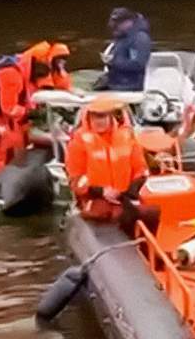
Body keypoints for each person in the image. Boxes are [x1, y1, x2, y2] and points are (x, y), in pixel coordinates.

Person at [63, 95, 160, 237]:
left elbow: (141, 169)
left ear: (110, 116)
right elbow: (76, 179)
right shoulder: (79, 141)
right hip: (96, 199)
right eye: (95, 117)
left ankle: (153, 250)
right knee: (107, 212)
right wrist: (101, 191)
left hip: (124, 198)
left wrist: (130, 190)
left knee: (152, 213)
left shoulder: (127, 137)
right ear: (89, 117)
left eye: (102, 117)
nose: (98, 121)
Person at [0, 41, 53, 185]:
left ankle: (5, 184)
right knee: (5, 153)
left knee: (14, 150)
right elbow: (8, 107)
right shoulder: (11, 75)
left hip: (9, 118)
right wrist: (30, 113)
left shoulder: (22, 70)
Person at [95, 8, 151, 92]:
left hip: (130, 86)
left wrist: (113, 62)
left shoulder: (139, 39)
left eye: (118, 24)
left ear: (128, 22)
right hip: (116, 80)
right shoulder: (122, 35)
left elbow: (138, 64)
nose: (115, 27)